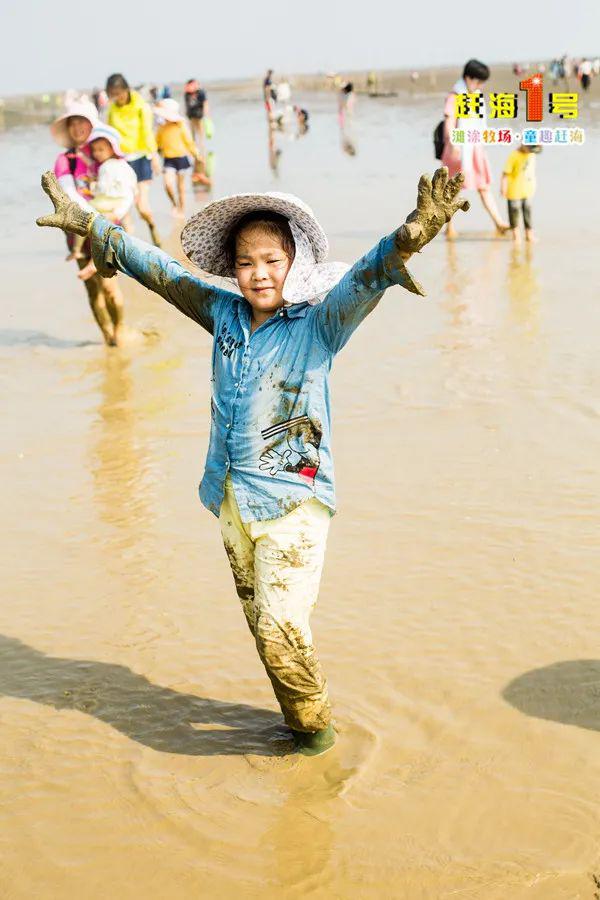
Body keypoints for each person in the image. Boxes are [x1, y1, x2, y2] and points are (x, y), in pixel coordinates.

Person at [36, 165, 469, 756]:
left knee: (280, 629)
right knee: (262, 628)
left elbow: (367, 278)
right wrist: (92, 225)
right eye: (245, 262)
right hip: (232, 497)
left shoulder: (320, 323)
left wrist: (411, 234)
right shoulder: (223, 314)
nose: (258, 273)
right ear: (233, 269)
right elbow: (162, 273)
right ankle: (298, 724)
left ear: (293, 262)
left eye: (271, 259)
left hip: (293, 501)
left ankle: (318, 740)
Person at [49, 100, 125, 346]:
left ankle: (120, 330)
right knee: (93, 291)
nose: (78, 127)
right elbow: (70, 193)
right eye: (73, 122)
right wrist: (94, 219)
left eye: (82, 121)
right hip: (79, 230)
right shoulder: (65, 160)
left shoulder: (103, 151)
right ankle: (108, 340)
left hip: (108, 228)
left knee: (111, 290)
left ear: (92, 125)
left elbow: (122, 184)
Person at [441, 59, 509, 238]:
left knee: (484, 186)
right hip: (457, 149)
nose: (479, 85)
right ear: (468, 77)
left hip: (475, 148)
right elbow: (449, 122)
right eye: (477, 81)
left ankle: (499, 222)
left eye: (481, 82)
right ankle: (449, 228)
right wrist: (453, 143)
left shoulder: (475, 95)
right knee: (453, 191)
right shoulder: (454, 96)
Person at [74, 124, 138, 285]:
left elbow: (104, 188)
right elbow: (132, 184)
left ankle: (86, 259)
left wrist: (93, 187)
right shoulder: (122, 165)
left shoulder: (108, 167)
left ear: (112, 148)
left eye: (101, 150)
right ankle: (80, 253)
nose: (97, 153)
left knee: (87, 221)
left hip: (109, 202)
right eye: (94, 150)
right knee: (93, 225)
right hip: (116, 202)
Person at [106, 73, 161, 246]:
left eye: (119, 94)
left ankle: (152, 227)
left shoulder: (141, 106)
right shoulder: (113, 109)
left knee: (142, 207)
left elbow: (147, 132)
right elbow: (110, 135)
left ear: (126, 90)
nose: (117, 99)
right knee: (123, 209)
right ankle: (130, 249)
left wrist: (154, 156)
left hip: (141, 158)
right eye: (113, 95)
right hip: (122, 161)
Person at [154, 99, 207, 216]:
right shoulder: (161, 128)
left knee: (181, 188)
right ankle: (174, 203)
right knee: (168, 184)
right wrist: (154, 159)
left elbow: (189, 143)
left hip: (182, 159)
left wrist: (197, 155)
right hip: (168, 160)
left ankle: (181, 210)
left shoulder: (181, 126)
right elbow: (156, 145)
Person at [501, 144, 540, 244]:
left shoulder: (532, 154)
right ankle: (516, 236)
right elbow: (505, 173)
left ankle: (529, 234)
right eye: (530, 149)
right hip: (514, 190)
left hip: (527, 190)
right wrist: (503, 187)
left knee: (527, 211)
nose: (531, 151)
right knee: (514, 212)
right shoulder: (514, 156)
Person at [183, 79, 209, 151]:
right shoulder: (187, 94)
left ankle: (202, 148)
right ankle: (194, 148)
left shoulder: (201, 93)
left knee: (200, 133)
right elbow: (186, 105)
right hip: (191, 116)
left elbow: (205, 104)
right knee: (191, 133)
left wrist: (206, 115)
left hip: (199, 116)